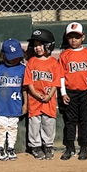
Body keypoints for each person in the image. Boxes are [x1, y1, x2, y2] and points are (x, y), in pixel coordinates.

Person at [58, 22, 87, 160]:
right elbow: (61, 75)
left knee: (85, 120)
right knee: (70, 121)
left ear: (83, 37)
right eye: (71, 37)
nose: (74, 40)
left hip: (85, 91)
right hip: (70, 92)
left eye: (77, 37)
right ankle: (70, 148)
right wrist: (63, 93)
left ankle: (85, 147)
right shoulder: (64, 55)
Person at [24, 28, 61, 160]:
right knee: (34, 123)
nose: (37, 48)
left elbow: (56, 83)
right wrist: (35, 94)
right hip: (34, 100)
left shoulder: (54, 63)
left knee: (48, 123)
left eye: (40, 45)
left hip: (48, 100)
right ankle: (35, 146)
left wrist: (49, 95)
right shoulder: (31, 62)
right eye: (35, 45)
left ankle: (48, 145)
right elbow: (29, 82)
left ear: (49, 45)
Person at [0, 39, 26, 161]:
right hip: (2, 104)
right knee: (1, 126)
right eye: (11, 56)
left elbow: (25, 88)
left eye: (17, 56)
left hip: (15, 104)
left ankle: (11, 147)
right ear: (3, 55)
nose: (15, 59)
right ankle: (0, 147)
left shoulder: (22, 69)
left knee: (12, 126)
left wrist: (26, 103)